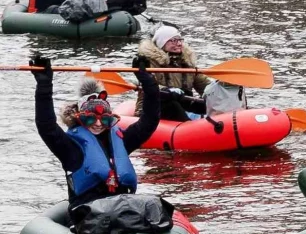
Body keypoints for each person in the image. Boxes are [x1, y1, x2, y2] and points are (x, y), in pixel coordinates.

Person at [31, 53, 161, 207]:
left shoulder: (121, 140)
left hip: (123, 206)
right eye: (91, 118)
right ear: (80, 118)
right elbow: (46, 126)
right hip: (89, 214)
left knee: (155, 205)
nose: (98, 124)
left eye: (105, 119)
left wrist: (147, 82)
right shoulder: (70, 147)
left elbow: (150, 119)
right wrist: (44, 86)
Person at [135, 25, 210, 121]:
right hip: (156, 105)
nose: (179, 44)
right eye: (173, 40)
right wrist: (167, 90)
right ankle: (190, 130)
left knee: (207, 103)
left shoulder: (187, 63)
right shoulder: (148, 62)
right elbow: (147, 85)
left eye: (180, 40)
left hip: (182, 102)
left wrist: (217, 88)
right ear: (162, 43)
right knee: (172, 105)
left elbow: (203, 84)